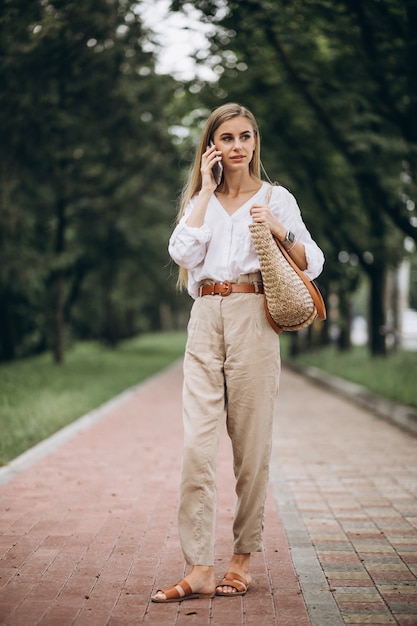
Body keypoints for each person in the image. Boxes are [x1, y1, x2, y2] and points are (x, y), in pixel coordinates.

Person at [151, 102, 324, 603]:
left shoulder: (275, 197)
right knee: (195, 448)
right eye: (227, 138)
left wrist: (278, 227)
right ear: (212, 147)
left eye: (245, 137)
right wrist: (205, 192)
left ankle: (242, 558)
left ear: (255, 143)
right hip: (205, 318)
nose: (238, 147)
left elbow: (312, 262)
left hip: (254, 317)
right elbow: (182, 254)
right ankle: (200, 566)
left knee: (251, 450)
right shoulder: (199, 202)